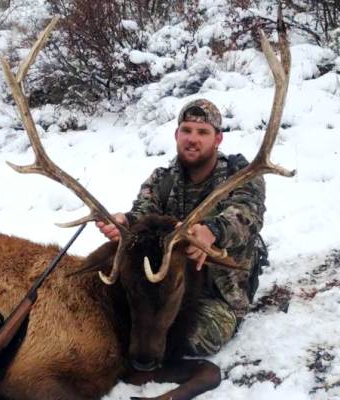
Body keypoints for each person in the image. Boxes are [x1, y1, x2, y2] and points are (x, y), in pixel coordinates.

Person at [97, 98, 266, 356]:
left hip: (218, 293)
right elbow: (144, 213)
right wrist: (125, 223)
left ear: (217, 139)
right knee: (113, 319)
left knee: (192, 338)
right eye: (186, 130)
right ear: (177, 134)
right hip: (166, 288)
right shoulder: (162, 179)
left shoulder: (241, 176)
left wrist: (213, 231)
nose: (192, 139)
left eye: (202, 132)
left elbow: (246, 215)